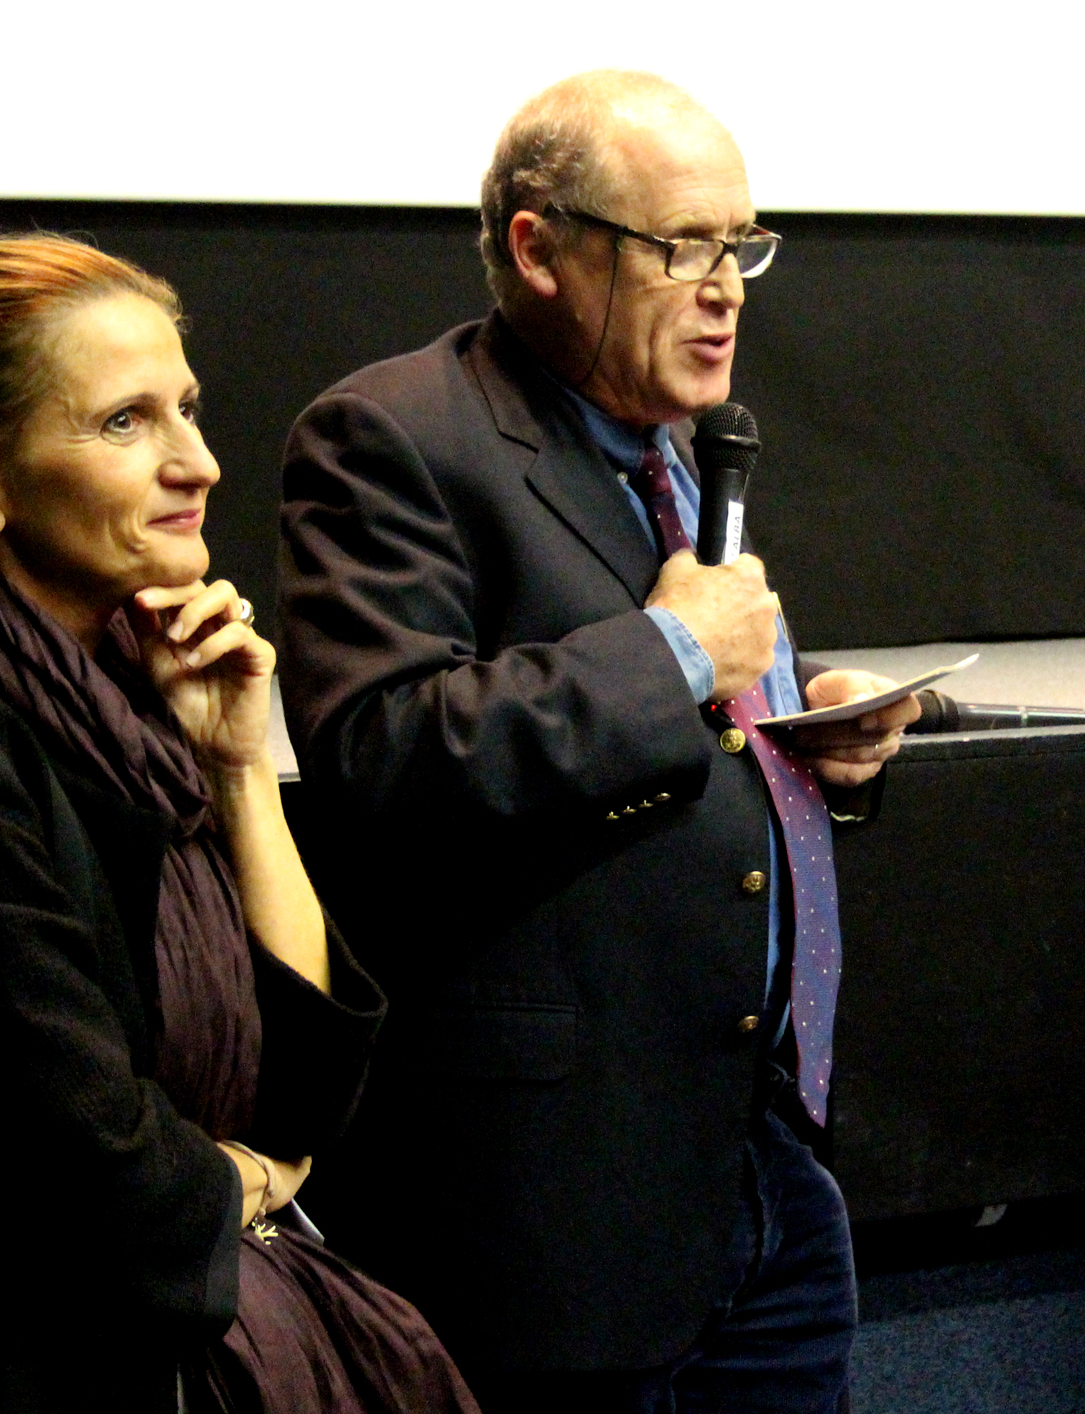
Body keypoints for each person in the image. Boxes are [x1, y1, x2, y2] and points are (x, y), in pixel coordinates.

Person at [278, 69, 918, 1411]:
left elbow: (681, 730)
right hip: (554, 1205)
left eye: (740, 244)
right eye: (681, 246)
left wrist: (805, 735)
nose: (724, 287)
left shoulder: (680, 451)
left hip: (759, 1161)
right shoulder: (395, 436)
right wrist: (675, 652)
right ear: (539, 248)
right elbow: (383, 756)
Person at [0, 234, 478, 1414]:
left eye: (185, 408)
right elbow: (103, 1181)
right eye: (124, 422)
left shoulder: (132, 722)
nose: (197, 462)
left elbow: (306, 1092)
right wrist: (249, 1180)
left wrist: (238, 771)